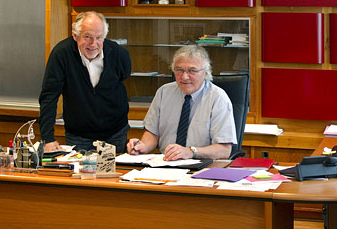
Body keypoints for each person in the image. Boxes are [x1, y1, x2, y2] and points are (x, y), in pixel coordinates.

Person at [38, 11, 131, 153]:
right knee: (81, 174)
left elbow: (125, 75)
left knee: (116, 173)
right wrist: (48, 138)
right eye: (87, 37)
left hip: (115, 133)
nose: (93, 44)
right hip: (79, 135)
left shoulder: (119, 54)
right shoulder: (62, 54)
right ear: (75, 36)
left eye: (99, 38)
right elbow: (49, 98)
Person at [126, 45, 235, 160]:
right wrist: (142, 146)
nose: (184, 77)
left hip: (202, 165)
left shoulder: (218, 98)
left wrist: (191, 152)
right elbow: (153, 133)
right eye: (179, 70)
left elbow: (224, 150)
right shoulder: (164, 92)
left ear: (206, 73)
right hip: (166, 163)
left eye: (192, 71)